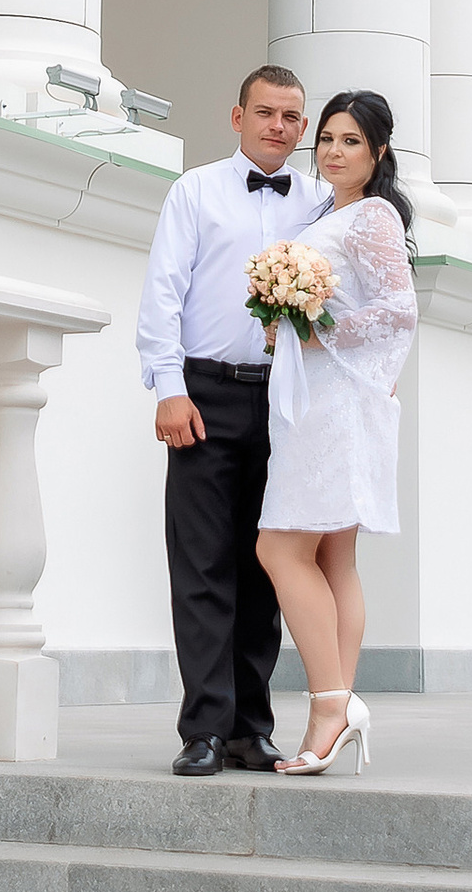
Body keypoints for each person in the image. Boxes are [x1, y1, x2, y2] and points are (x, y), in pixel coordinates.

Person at [136, 65, 332, 775]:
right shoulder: (194, 191)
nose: (279, 126)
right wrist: (168, 388)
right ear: (237, 117)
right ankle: (204, 729)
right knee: (202, 565)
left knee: (269, 567)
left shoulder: (321, 203)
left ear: (302, 126)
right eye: (266, 112)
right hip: (204, 395)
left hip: (287, 403)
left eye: (291, 117)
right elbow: (163, 293)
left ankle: (252, 728)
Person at [255, 89, 417, 776]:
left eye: (351, 141)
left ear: (378, 152)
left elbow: (399, 311)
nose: (333, 151)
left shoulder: (372, 215)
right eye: (326, 138)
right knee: (332, 559)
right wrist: (283, 325)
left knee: (278, 547)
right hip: (318, 398)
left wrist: (315, 331)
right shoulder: (331, 212)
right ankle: (338, 706)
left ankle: (330, 704)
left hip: (336, 404)